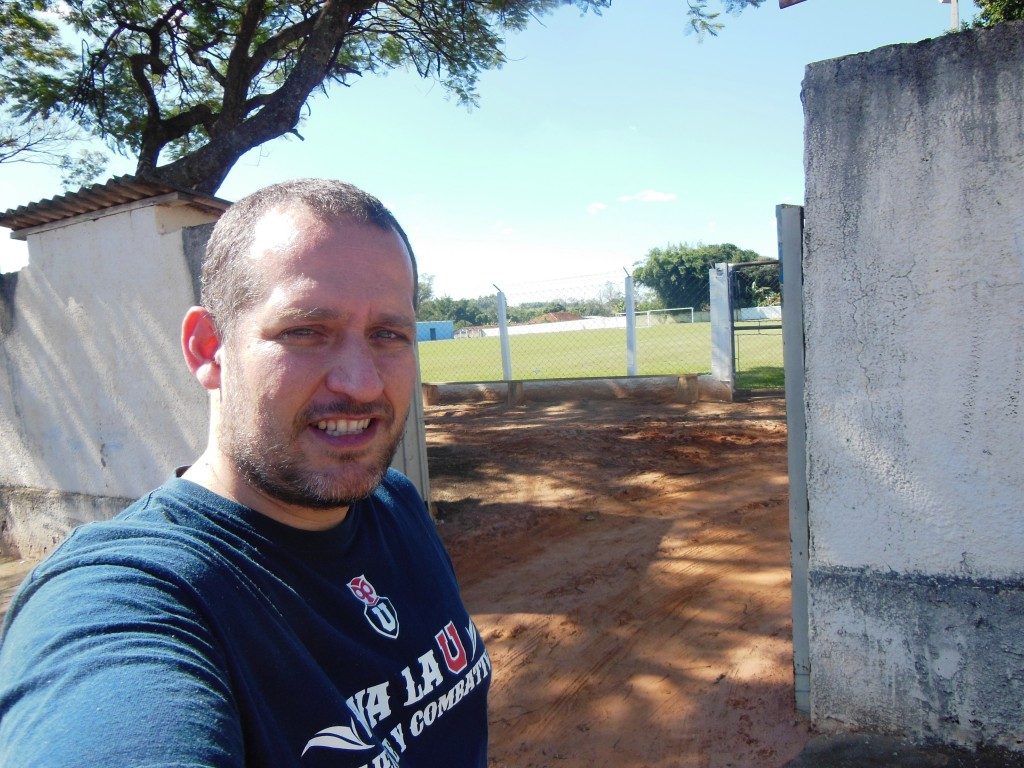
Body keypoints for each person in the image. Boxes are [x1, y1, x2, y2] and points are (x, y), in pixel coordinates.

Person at [0, 179, 491, 767]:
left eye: (389, 334)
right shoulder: (126, 598)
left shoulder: (394, 503)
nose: (361, 383)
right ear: (209, 349)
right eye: (305, 331)